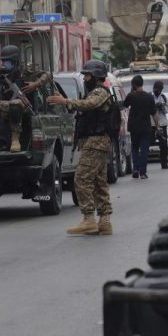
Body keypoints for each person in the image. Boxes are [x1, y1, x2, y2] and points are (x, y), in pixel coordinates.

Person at [47, 60, 114, 236]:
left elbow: (89, 104)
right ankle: (105, 221)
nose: (84, 78)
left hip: (96, 142)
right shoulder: (92, 92)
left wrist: (66, 101)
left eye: (87, 75)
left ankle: (88, 219)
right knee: (99, 182)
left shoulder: (100, 92)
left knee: (81, 179)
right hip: (94, 143)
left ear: (96, 76)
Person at [123, 75, 160, 179]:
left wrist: (131, 92)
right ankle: (143, 172)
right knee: (144, 150)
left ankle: (135, 169)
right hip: (145, 127)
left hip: (134, 127)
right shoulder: (149, 97)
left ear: (133, 85)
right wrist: (158, 126)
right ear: (142, 84)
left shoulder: (131, 96)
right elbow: (154, 114)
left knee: (135, 148)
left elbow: (125, 105)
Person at [0, 45, 29, 152]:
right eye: (3, 61)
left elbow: (46, 76)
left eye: (7, 61)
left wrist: (35, 84)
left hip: (21, 105)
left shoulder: (24, 73)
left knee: (15, 105)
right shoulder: (5, 75)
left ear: (14, 61)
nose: (4, 63)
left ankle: (15, 140)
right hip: (6, 105)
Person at [151, 80, 168, 169]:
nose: (158, 91)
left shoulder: (163, 97)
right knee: (149, 142)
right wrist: (153, 107)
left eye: (159, 90)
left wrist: (162, 107)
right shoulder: (149, 97)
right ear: (154, 88)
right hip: (151, 124)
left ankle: (164, 164)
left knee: (163, 145)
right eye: (156, 89)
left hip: (162, 124)